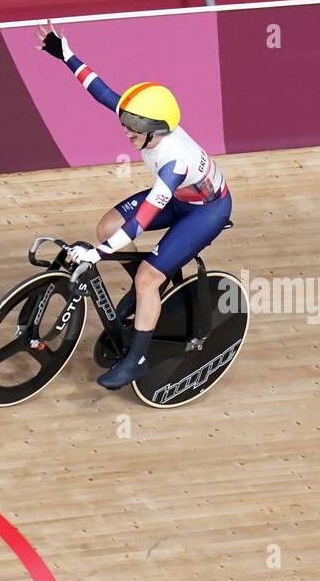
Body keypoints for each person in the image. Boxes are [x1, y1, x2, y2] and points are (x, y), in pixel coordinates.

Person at [36, 20, 231, 389]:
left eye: (133, 130)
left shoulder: (175, 162)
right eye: (126, 125)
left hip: (206, 211)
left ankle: (136, 359)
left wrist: (100, 254)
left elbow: (144, 218)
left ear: (154, 132)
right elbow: (103, 93)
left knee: (146, 278)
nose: (126, 133)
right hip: (179, 198)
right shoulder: (148, 124)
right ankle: (151, 286)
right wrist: (66, 55)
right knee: (106, 227)